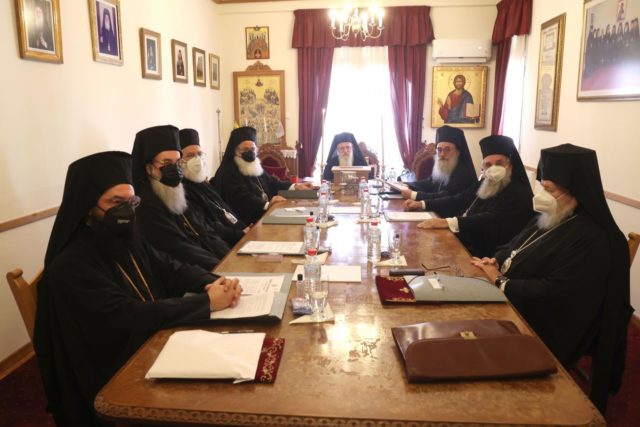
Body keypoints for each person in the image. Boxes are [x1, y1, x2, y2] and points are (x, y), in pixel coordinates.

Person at [33, 151, 241, 426]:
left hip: (149, 343)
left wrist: (211, 281)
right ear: (87, 207)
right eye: (115, 202)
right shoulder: (71, 266)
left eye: (131, 201)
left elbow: (170, 267)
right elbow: (126, 317)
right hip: (111, 377)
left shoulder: (124, 237)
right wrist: (206, 303)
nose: (127, 211)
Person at [470, 144, 633, 412]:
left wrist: (501, 282)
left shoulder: (593, 237)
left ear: (576, 191)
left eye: (550, 189)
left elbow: (559, 292)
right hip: (517, 297)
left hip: (551, 321)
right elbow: (513, 244)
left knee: (474, 342)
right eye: (542, 186)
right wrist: (496, 260)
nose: (542, 196)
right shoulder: (555, 213)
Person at [416, 135, 534, 257]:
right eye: (488, 165)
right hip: (471, 243)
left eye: (499, 163)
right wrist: (422, 204)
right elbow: (459, 199)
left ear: (510, 165)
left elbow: (491, 218)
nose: (493, 169)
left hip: (492, 254)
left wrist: (448, 222)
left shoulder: (518, 191)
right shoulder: (485, 183)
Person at [132, 125, 230, 270]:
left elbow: (205, 231)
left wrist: (228, 256)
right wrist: (221, 265)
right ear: (149, 168)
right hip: (190, 273)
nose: (175, 168)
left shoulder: (176, 190)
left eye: (178, 162)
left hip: (213, 263)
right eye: (167, 163)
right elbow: (179, 248)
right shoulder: (146, 204)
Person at [211, 126, 312, 225]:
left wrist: (296, 186)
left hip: (265, 214)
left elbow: (272, 182)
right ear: (235, 151)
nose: (250, 153)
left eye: (252, 149)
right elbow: (241, 198)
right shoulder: (228, 171)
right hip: (247, 221)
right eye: (245, 149)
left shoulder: (254, 165)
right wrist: (266, 204)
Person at [179, 128, 249, 246]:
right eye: (190, 156)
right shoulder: (183, 191)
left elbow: (225, 208)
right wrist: (239, 234)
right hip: (224, 244)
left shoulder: (203, 182)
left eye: (199, 154)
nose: (197, 160)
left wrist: (243, 227)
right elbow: (207, 226)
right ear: (179, 161)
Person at [402, 126, 477, 205]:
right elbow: (428, 183)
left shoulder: (463, 173)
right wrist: (406, 185)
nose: (442, 154)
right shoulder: (444, 167)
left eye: (447, 150)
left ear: (458, 152)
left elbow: (445, 197)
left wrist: (414, 195)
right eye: (439, 150)